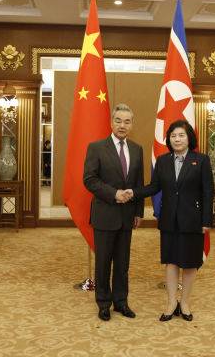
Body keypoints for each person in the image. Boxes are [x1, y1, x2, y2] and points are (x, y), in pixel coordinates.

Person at [125, 119, 213, 322]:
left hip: (193, 219)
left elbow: (208, 192)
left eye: (181, 135)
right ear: (169, 139)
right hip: (169, 219)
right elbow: (154, 186)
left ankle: (185, 303)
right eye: (173, 136)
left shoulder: (201, 160)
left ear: (189, 138)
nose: (177, 139)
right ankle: (172, 303)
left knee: (190, 263)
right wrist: (134, 192)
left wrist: (206, 220)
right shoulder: (163, 160)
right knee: (171, 261)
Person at [83, 104, 145, 321]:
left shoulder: (137, 149)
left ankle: (121, 302)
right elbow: (89, 180)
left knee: (122, 263)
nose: (122, 125)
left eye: (127, 121)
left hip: (127, 216)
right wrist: (114, 193)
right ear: (111, 123)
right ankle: (103, 303)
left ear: (132, 125)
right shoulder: (96, 147)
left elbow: (138, 183)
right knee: (103, 263)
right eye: (118, 121)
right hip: (104, 214)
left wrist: (138, 212)